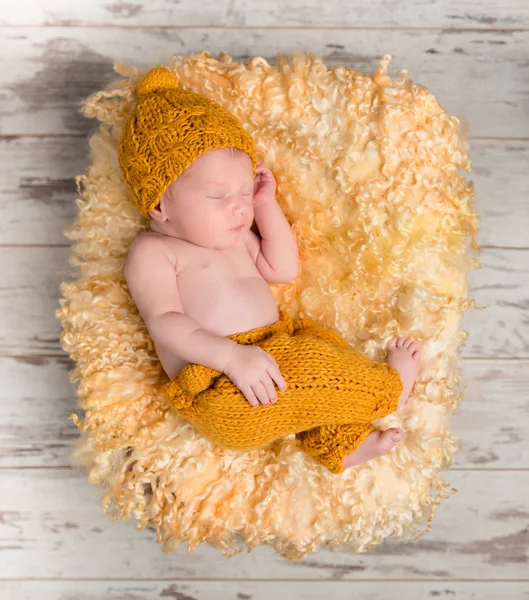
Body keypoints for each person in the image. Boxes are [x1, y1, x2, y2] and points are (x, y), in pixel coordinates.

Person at [119, 66, 421, 474]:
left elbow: (281, 268)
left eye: (244, 192)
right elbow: (165, 322)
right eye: (218, 195)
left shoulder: (237, 236)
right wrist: (232, 357)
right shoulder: (155, 251)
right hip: (219, 383)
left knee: (313, 374)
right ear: (159, 205)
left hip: (274, 352)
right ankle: (386, 391)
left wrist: (265, 205)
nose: (238, 206)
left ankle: (344, 443)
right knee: (310, 373)